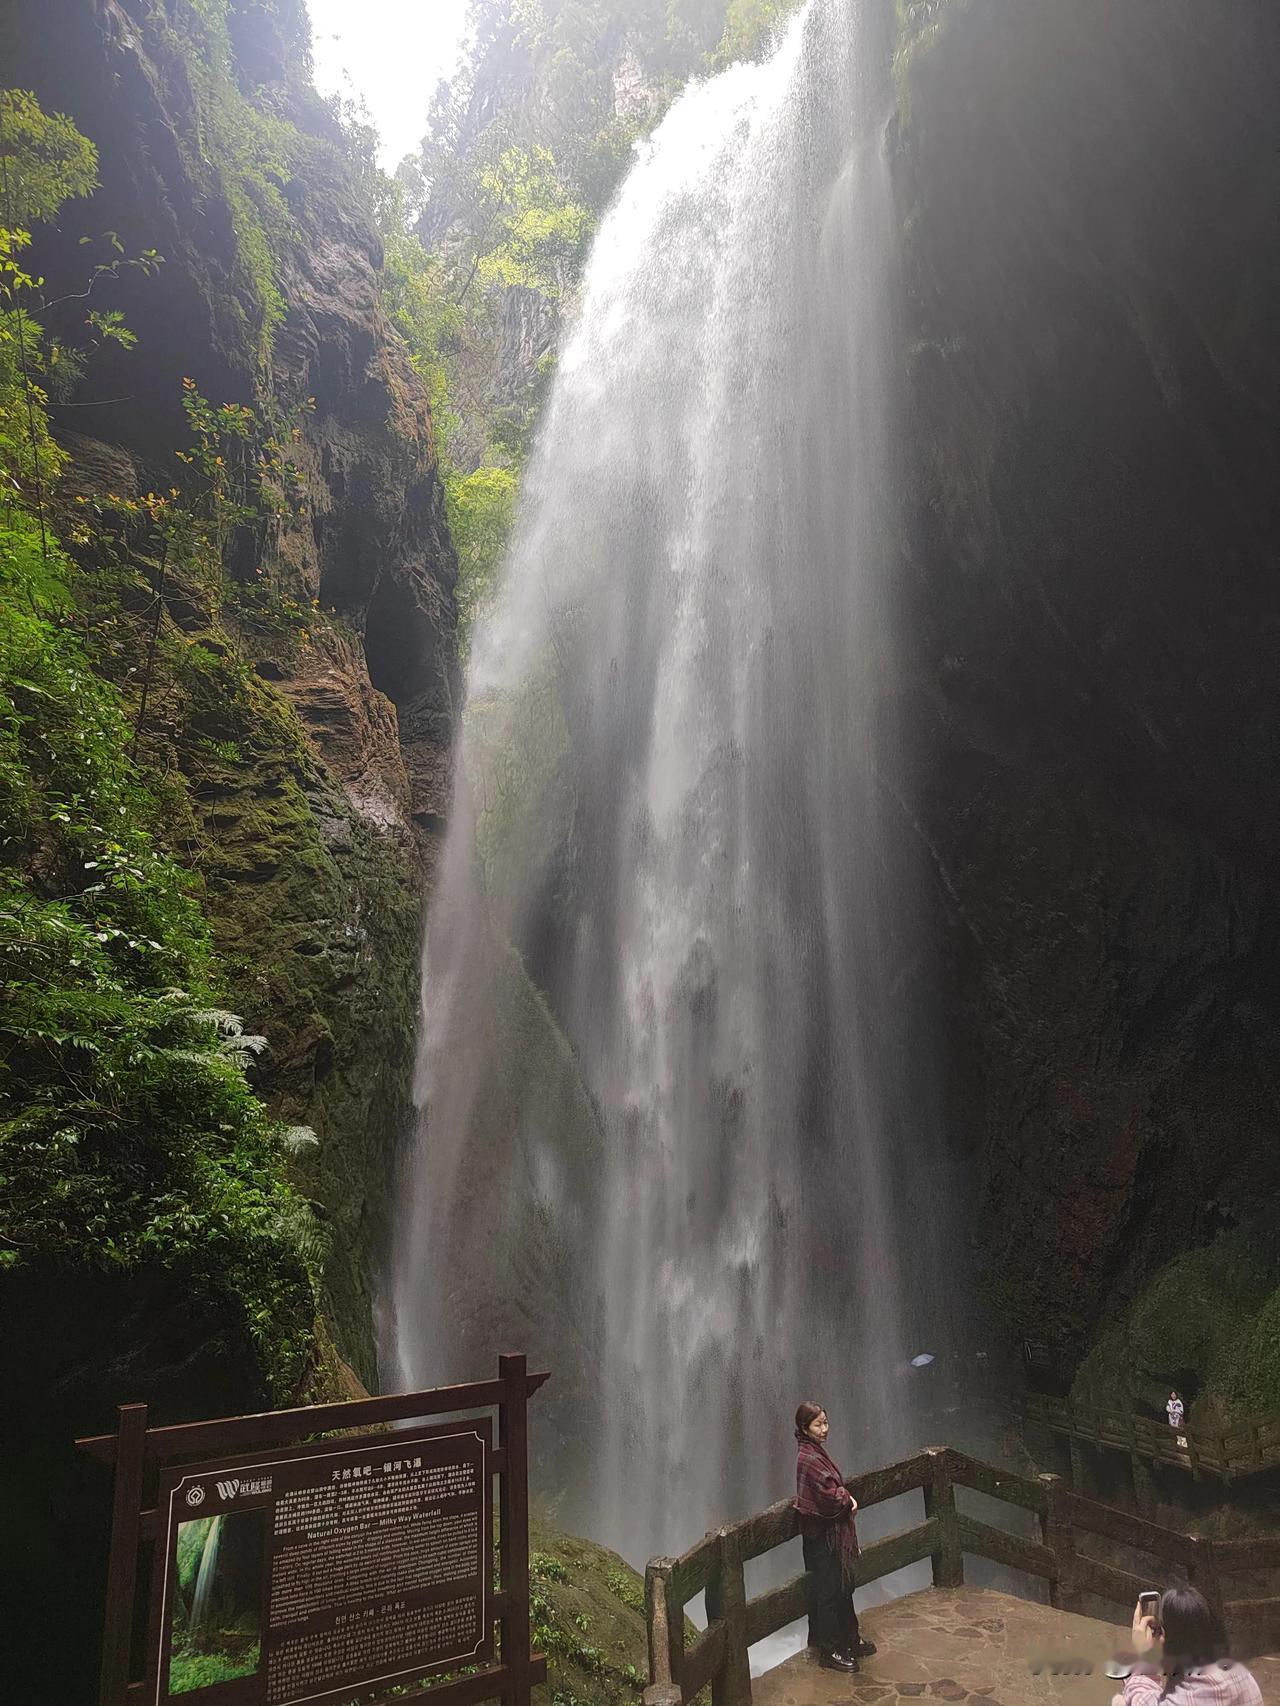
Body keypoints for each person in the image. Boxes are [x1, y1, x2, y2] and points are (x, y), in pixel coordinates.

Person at [793, 1402, 876, 1673]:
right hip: (822, 1536)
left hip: (830, 1535)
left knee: (843, 1586)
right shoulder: (808, 1457)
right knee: (829, 1593)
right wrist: (847, 1499)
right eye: (818, 1424)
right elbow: (829, 1497)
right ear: (805, 1428)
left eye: (826, 1423)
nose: (824, 1429)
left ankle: (850, 1639)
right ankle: (829, 1651)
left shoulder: (814, 1452)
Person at [1111, 1586, 1263, 1705]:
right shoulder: (1239, 1673)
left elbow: (1139, 1698)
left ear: (1173, 1642)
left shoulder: (1192, 1694)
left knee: (1120, 1702)